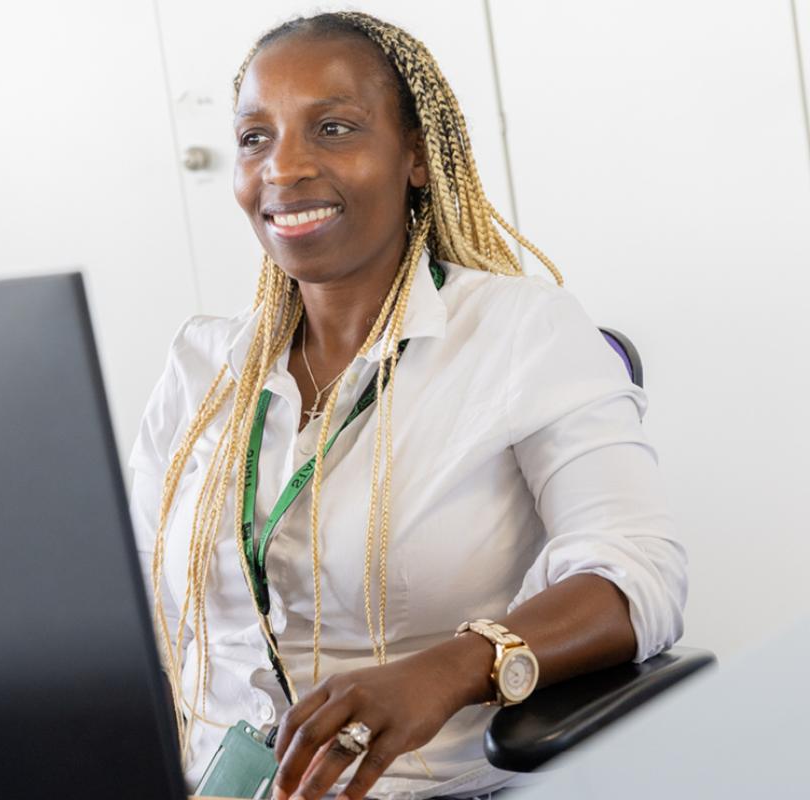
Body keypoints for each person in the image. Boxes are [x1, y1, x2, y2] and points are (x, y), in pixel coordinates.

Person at [128, 11, 686, 800]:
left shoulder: (519, 330)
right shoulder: (201, 367)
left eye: (333, 127)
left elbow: (637, 573)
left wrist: (453, 669)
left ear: (416, 156)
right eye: (255, 137)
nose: (283, 168)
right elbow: (141, 623)